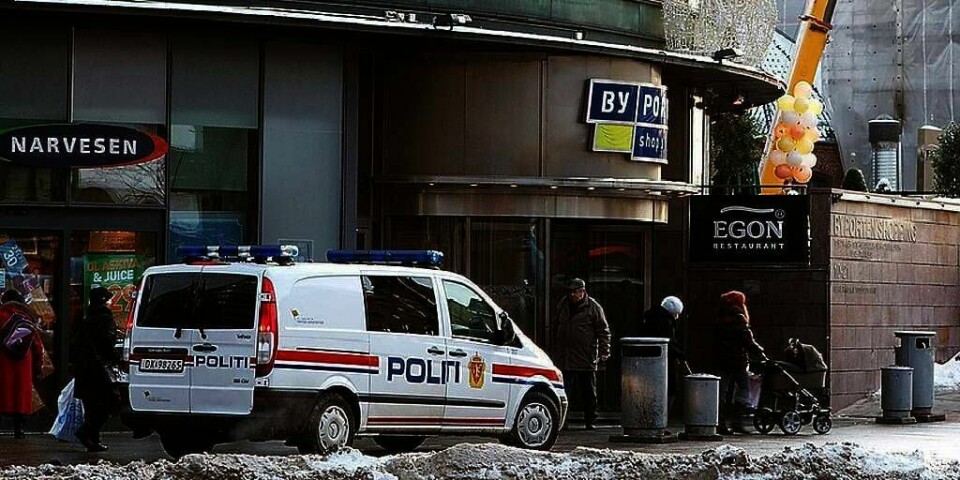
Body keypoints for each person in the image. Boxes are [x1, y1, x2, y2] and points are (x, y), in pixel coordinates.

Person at [552, 278, 611, 430]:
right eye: (570, 292)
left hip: (585, 355)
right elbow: (556, 325)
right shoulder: (563, 304)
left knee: (589, 392)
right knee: (564, 391)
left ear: (582, 292)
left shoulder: (593, 307)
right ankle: (563, 421)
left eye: (575, 292)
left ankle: (590, 420)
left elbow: (603, 331)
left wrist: (604, 351)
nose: (572, 295)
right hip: (565, 356)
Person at [72, 287, 121, 452]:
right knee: (110, 403)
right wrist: (117, 357)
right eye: (108, 299)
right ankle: (86, 432)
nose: (111, 301)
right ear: (103, 300)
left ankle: (93, 440)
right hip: (100, 369)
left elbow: (75, 342)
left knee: (91, 406)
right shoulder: (105, 318)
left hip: (84, 369)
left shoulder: (84, 317)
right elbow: (107, 342)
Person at [713, 290, 766, 435]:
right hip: (737, 360)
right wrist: (759, 351)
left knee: (721, 392)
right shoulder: (738, 316)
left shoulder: (720, 315)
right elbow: (746, 339)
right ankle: (737, 421)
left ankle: (719, 423)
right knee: (744, 389)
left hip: (722, 359)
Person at [0, 289, 44, 439]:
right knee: (20, 396)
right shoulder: (27, 317)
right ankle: (20, 430)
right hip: (23, 364)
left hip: (3, 363)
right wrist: (38, 367)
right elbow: (38, 346)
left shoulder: (1, 315)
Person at [637, 296, 689, 418]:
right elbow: (669, 342)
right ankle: (660, 419)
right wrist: (681, 355)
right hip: (663, 361)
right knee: (669, 391)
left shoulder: (649, 318)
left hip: (648, 359)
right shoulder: (666, 322)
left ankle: (650, 419)